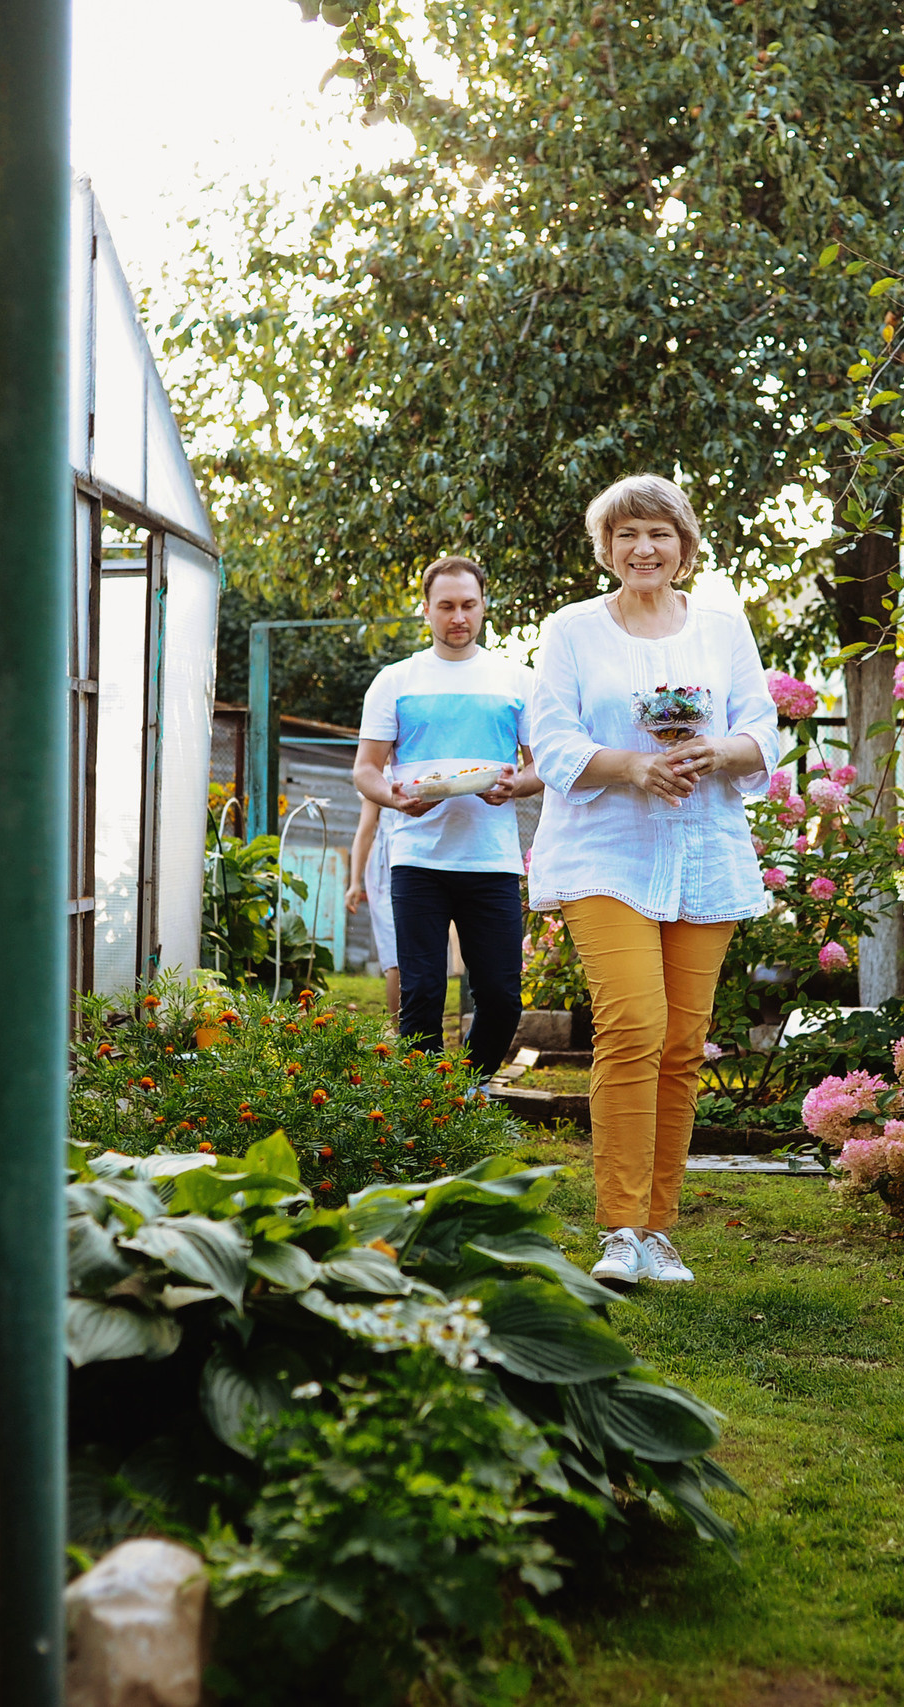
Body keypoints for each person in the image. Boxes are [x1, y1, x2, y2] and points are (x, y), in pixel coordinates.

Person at [524, 475, 779, 1288]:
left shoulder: (721, 624)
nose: (643, 548)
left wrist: (716, 754)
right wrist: (636, 765)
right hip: (607, 852)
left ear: (684, 544)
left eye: (659, 533)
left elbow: (760, 727)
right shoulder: (571, 630)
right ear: (607, 548)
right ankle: (620, 1227)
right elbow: (554, 742)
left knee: (680, 1043)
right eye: (627, 534)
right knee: (633, 1024)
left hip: (703, 849)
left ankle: (660, 1228)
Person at [352, 557, 541, 1074]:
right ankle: (425, 1110)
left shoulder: (516, 679)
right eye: (447, 606)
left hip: (492, 862)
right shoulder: (395, 680)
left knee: (502, 998)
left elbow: (541, 765)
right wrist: (396, 798)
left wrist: (515, 785)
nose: (458, 616)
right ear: (427, 609)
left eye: (468, 605)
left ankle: (467, 1090)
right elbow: (367, 770)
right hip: (417, 861)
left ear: (483, 606)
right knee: (421, 996)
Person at [344, 795, 400, 1027]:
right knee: (395, 956)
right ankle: (401, 1033)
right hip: (385, 871)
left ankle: (417, 1030)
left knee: (419, 954)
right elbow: (365, 830)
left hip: (425, 863)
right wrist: (354, 882)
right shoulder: (378, 776)